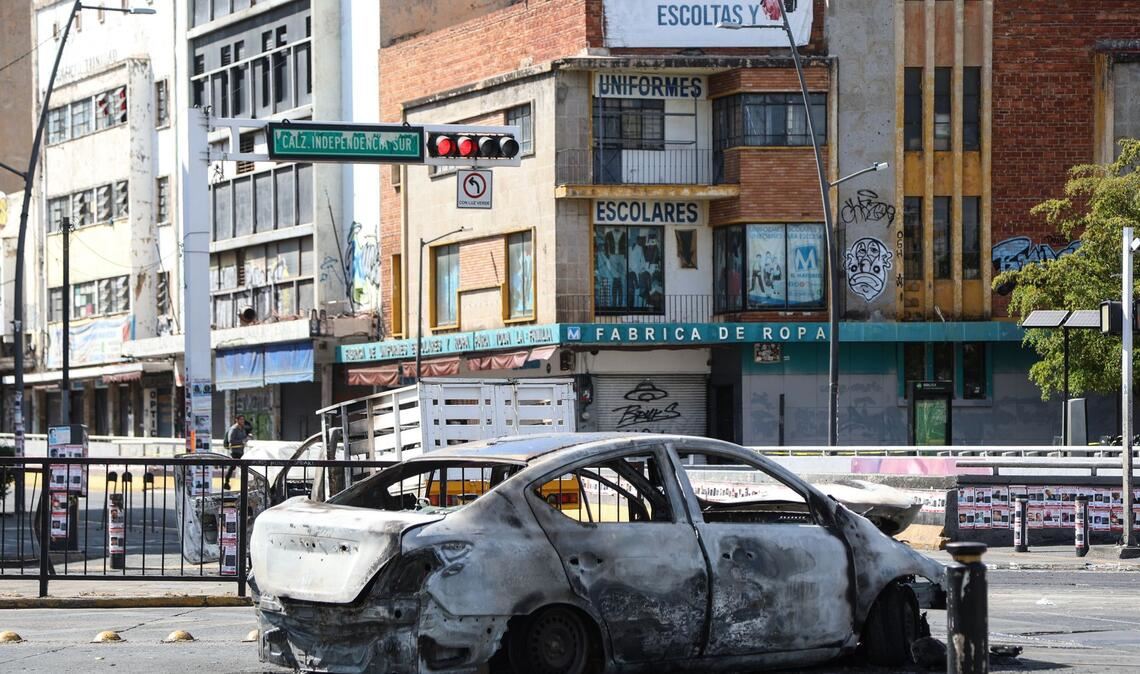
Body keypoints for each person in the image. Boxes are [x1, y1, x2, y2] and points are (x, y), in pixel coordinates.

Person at [223, 414, 248, 489]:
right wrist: (242, 441)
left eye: (243, 419)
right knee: (235, 466)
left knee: (234, 467)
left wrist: (247, 437)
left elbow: (243, 438)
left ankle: (227, 482)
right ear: (236, 420)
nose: (242, 421)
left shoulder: (242, 428)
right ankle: (227, 482)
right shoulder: (234, 429)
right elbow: (231, 440)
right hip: (235, 451)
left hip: (241, 451)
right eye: (240, 419)